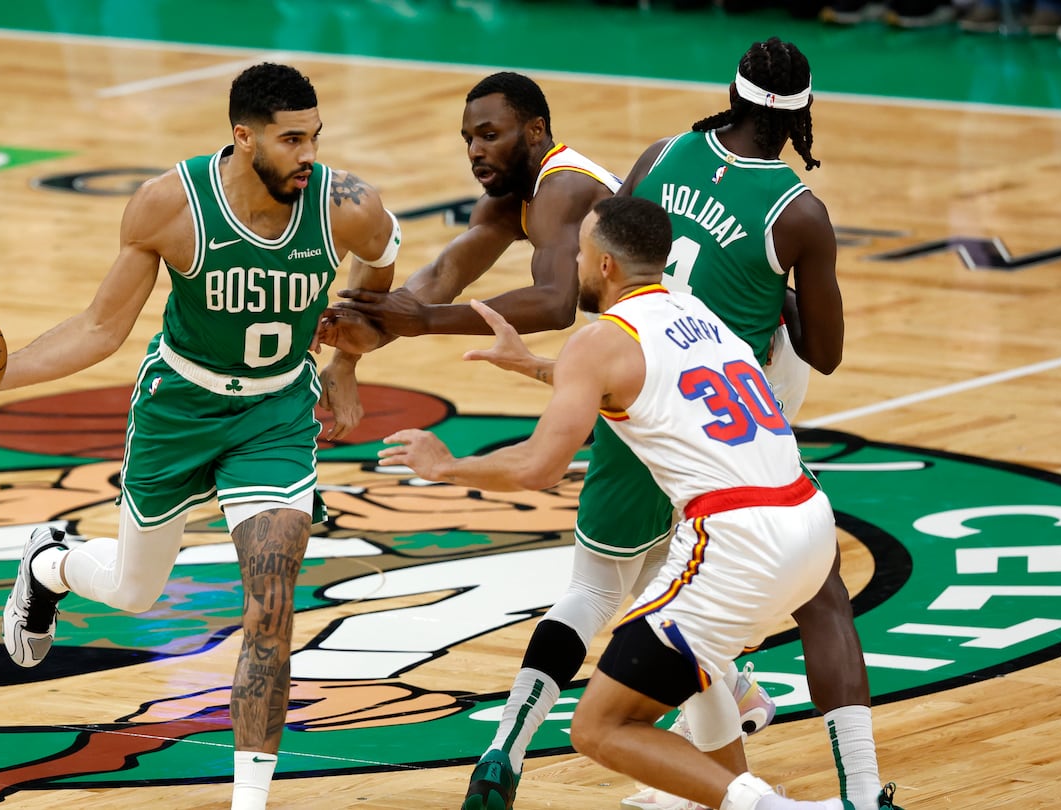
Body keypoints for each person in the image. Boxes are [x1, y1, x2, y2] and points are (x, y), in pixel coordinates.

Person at [319, 72, 768, 810]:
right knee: (664, 593)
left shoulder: (561, 189)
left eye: (488, 133)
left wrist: (419, 321)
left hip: (662, 376)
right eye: (467, 136)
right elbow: (442, 273)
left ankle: (507, 750)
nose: (474, 148)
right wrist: (348, 350)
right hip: (680, 377)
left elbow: (557, 303)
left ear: (533, 132)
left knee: (596, 589)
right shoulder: (513, 197)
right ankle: (733, 745)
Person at [0, 62, 401, 810]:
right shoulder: (168, 206)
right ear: (243, 138)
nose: (308, 154)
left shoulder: (347, 203)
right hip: (180, 409)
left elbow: (383, 260)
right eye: (290, 138)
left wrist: (345, 362)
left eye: (315, 136)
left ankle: (249, 801)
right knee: (136, 592)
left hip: (273, 415)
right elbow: (100, 329)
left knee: (271, 601)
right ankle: (50, 565)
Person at [379, 195, 844, 810]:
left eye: (579, 250)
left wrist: (445, 466)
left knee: (599, 726)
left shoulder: (601, 340)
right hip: (809, 524)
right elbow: (643, 382)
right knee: (696, 671)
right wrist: (541, 367)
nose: (573, 258)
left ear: (602, 264)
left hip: (737, 540)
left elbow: (539, 465)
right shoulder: (693, 308)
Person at [616, 37, 901, 810]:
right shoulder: (798, 211)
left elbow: (608, 264)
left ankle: (722, 731)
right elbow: (827, 352)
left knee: (662, 570)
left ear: (730, 94)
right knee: (820, 594)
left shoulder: (659, 154)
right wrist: (774, 288)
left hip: (637, 389)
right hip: (730, 405)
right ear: (803, 117)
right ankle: (858, 788)